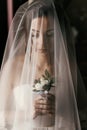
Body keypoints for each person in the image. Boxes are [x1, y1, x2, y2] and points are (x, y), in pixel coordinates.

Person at [0, 0, 87, 130]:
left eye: (50, 35)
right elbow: (1, 114)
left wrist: (61, 110)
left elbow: (83, 115)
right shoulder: (13, 66)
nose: (41, 44)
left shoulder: (68, 67)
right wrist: (26, 113)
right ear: (28, 34)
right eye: (35, 35)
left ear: (60, 34)